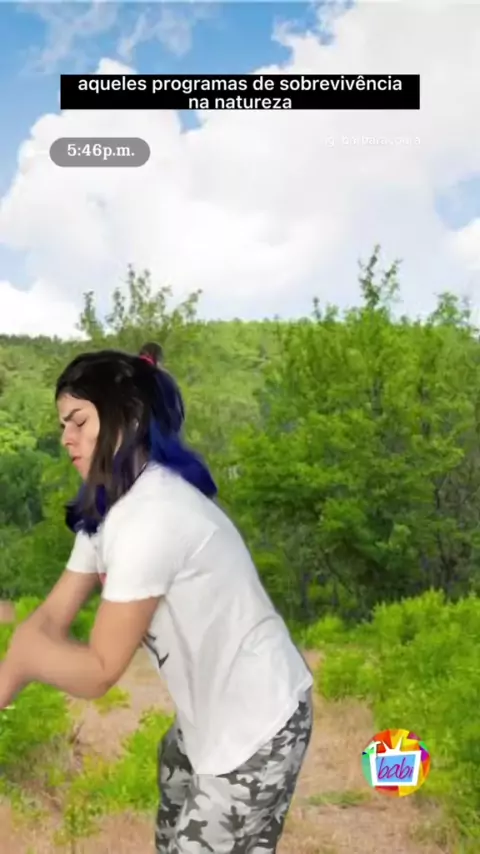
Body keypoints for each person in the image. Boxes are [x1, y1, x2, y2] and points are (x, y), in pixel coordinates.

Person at [0, 344, 314, 853]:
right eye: (62, 425)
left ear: (127, 418)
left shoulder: (152, 517)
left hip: (258, 721)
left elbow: (100, 670)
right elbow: (53, 615)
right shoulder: (108, 509)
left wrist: (26, 657)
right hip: (204, 721)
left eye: (79, 421)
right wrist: (13, 666)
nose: (65, 438)